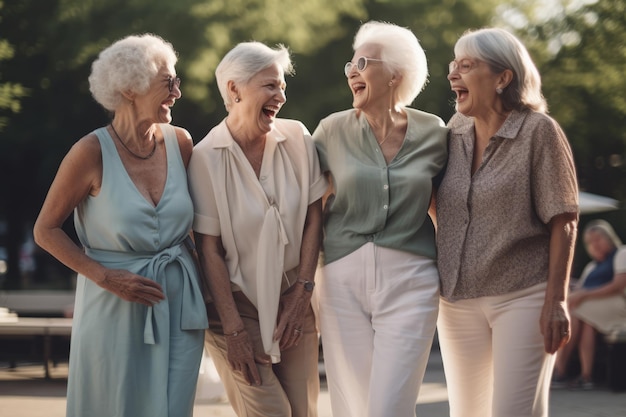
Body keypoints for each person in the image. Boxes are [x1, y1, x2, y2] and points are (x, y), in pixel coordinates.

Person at [33, 34, 208, 417]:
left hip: (181, 303)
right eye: (169, 82)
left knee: (175, 407)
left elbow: (198, 231)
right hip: (112, 302)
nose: (177, 92)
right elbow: (45, 230)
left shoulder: (181, 143)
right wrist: (105, 277)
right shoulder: (89, 152)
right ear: (130, 87)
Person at [436, 27, 579, 417]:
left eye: (466, 66)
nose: (453, 75)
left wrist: (557, 300)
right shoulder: (455, 130)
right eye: (454, 65)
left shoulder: (539, 131)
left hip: (522, 296)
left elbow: (563, 219)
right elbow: (441, 205)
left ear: (503, 78)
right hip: (457, 301)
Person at [312, 21, 448, 417]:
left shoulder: (435, 133)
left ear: (395, 75)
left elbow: (448, 204)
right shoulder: (330, 131)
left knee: (390, 406)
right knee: (351, 404)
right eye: (350, 66)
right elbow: (308, 209)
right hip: (340, 282)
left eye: (362, 62)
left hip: (412, 281)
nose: (352, 71)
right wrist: (303, 280)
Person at [187, 41, 327, 417]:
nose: (281, 95)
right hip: (234, 308)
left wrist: (303, 290)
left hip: (294, 300)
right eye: (270, 86)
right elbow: (209, 250)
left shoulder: (298, 137)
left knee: (303, 411)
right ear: (234, 89)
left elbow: (316, 216)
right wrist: (233, 332)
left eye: (282, 86)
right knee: (271, 412)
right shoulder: (204, 157)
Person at [553, 220, 626, 389]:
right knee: (586, 324)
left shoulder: (622, 253)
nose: (595, 245)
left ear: (609, 238)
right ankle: (586, 377)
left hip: (619, 306)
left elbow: (619, 285)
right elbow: (579, 288)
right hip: (593, 311)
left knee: (575, 310)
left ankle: (559, 370)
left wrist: (584, 294)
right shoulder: (591, 266)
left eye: (598, 239)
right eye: (590, 242)